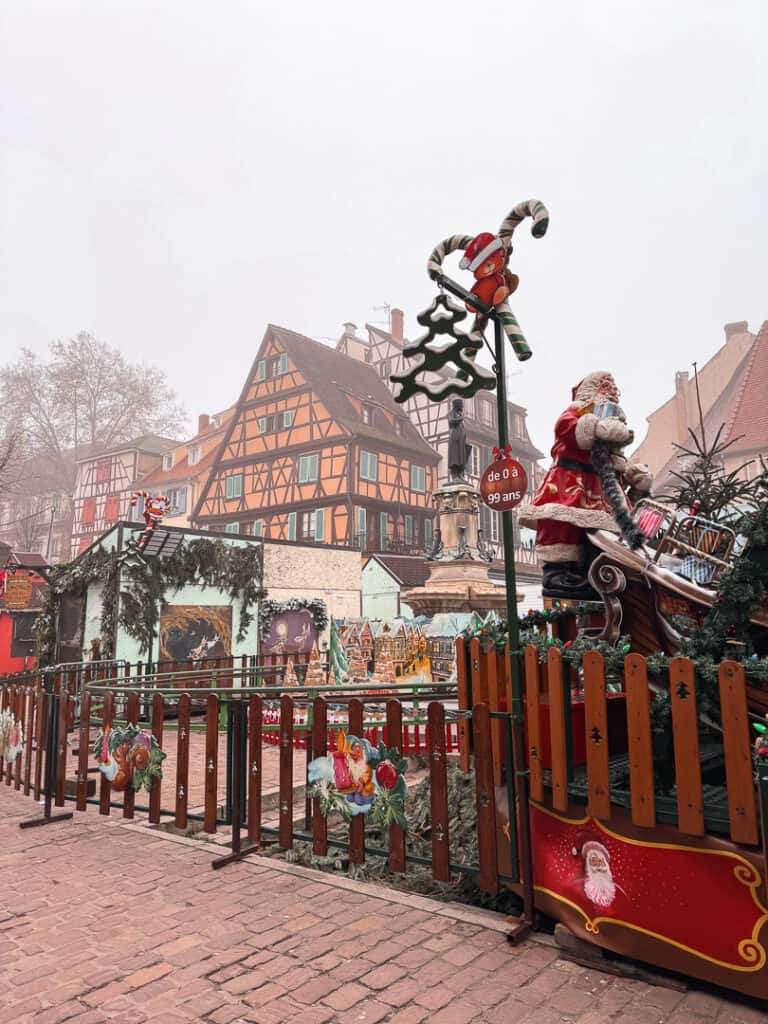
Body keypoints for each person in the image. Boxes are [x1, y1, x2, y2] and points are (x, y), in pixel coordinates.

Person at [518, 371, 652, 597]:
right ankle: (561, 575)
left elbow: (614, 462)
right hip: (571, 481)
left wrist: (633, 479)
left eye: (613, 389)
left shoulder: (613, 432)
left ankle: (598, 575)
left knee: (603, 537)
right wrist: (592, 426)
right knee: (564, 524)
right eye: (605, 387)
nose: (611, 392)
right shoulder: (578, 412)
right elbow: (567, 429)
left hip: (603, 491)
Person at [447, 398, 472, 482]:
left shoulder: (459, 414)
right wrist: (461, 418)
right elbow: (451, 421)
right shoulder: (451, 413)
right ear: (457, 405)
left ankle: (460, 474)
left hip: (461, 440)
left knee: (461, 458)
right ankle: (455, 475)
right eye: (461, 405)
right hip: (455, 439)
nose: (462, 407)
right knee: (455, 457)